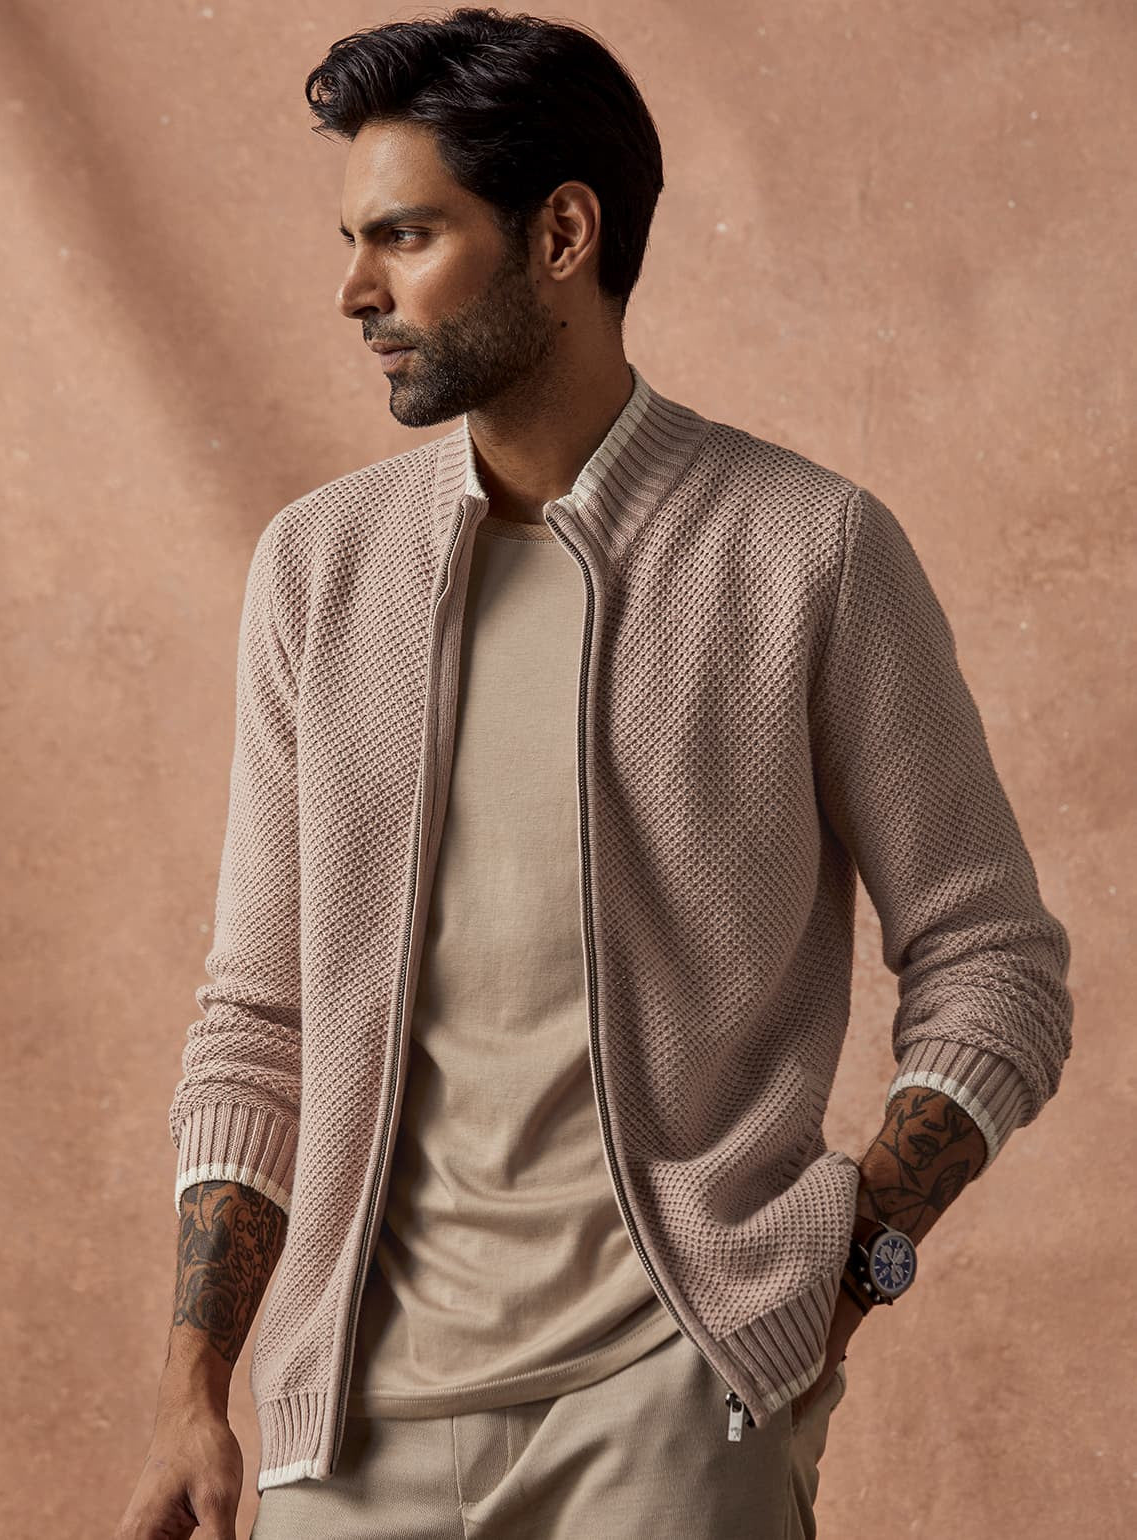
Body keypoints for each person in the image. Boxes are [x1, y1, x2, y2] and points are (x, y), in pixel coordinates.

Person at [114, 9, 1073, 1539]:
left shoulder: (807, 551)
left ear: (562, 235)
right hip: (345, 1427)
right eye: (354, 241)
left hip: (672, 1406)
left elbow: (994, 963)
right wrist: (192, 1391)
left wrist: (845, 1273)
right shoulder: (318, 571)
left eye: (406, 236)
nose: (355, 291)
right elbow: (259, 1016)